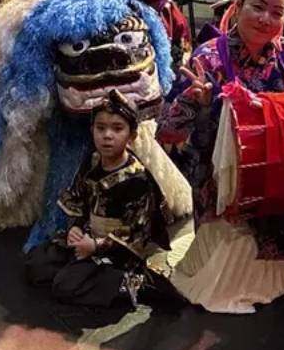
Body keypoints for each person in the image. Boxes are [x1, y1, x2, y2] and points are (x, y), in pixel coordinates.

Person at [157, 0, 284, 314]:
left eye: (277, 13)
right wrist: (200, 104)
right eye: (258, 7)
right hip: (224, 180)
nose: (266, 19)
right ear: (238, 7)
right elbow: (168, 128)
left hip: (282, 175)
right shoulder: (209, 58)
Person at [23, 90, 177, 308]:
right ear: (92, 130)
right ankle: (81, 270)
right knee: (37, 264)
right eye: (101, 128)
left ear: (131, 135)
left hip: (117, 251)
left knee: (65, 286)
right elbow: (79, 200)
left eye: (117, 129)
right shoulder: (93, 161)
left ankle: (133, 284)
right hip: (89, 238)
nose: (107, 135)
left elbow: (136, 234)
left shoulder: (136, 179)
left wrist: (95, 246)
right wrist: (75, 229)